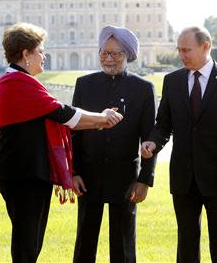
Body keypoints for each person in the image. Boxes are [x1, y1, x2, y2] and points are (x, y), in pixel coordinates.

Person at [0, 22, 123, 263]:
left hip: (27, 172)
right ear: (26, 54)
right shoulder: (18, 84)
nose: (44, 56)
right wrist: (102, 119)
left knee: (30, 241)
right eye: (40, 51)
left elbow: (62, 118)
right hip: (24, 174)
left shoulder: (17, 82)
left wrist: (100, 122)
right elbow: (64, 113)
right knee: (26, 243)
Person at [141, 26, 217, 263]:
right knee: (187, 246)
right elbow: (163, 124)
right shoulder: (173, 81)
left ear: (206, 46)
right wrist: (152, 142)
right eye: (179, 50)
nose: (181, 55)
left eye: (186, 50)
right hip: (183, 178)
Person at [71, 25, 156, 263]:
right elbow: (74, 133)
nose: (109, 59)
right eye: (104, 53)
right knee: (85, 241)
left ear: (128, 54)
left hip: (125, 177)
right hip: (88, 176)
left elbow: (149, 139)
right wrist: (74, 171)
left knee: (123, 245)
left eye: (116, 53)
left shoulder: (143, 89)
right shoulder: (84, 84)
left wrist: (144, 180)